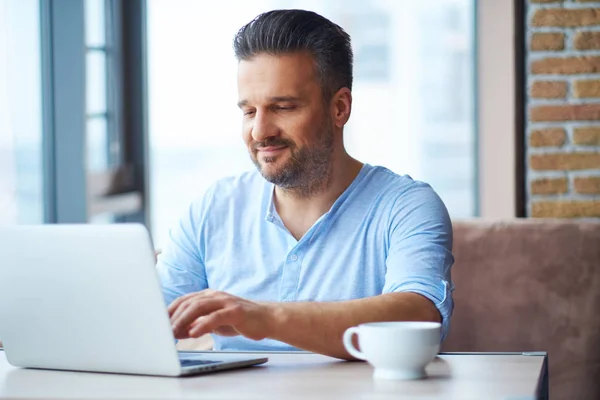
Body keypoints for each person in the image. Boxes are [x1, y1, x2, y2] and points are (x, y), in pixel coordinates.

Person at [157, 9, 454, 360]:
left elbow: (418, 315)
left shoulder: (407, 206)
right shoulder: (215, 206)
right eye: (249, 111)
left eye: (282, 107)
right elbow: (144, 319)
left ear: (340, 108)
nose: (259, 131)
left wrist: (265, 317)